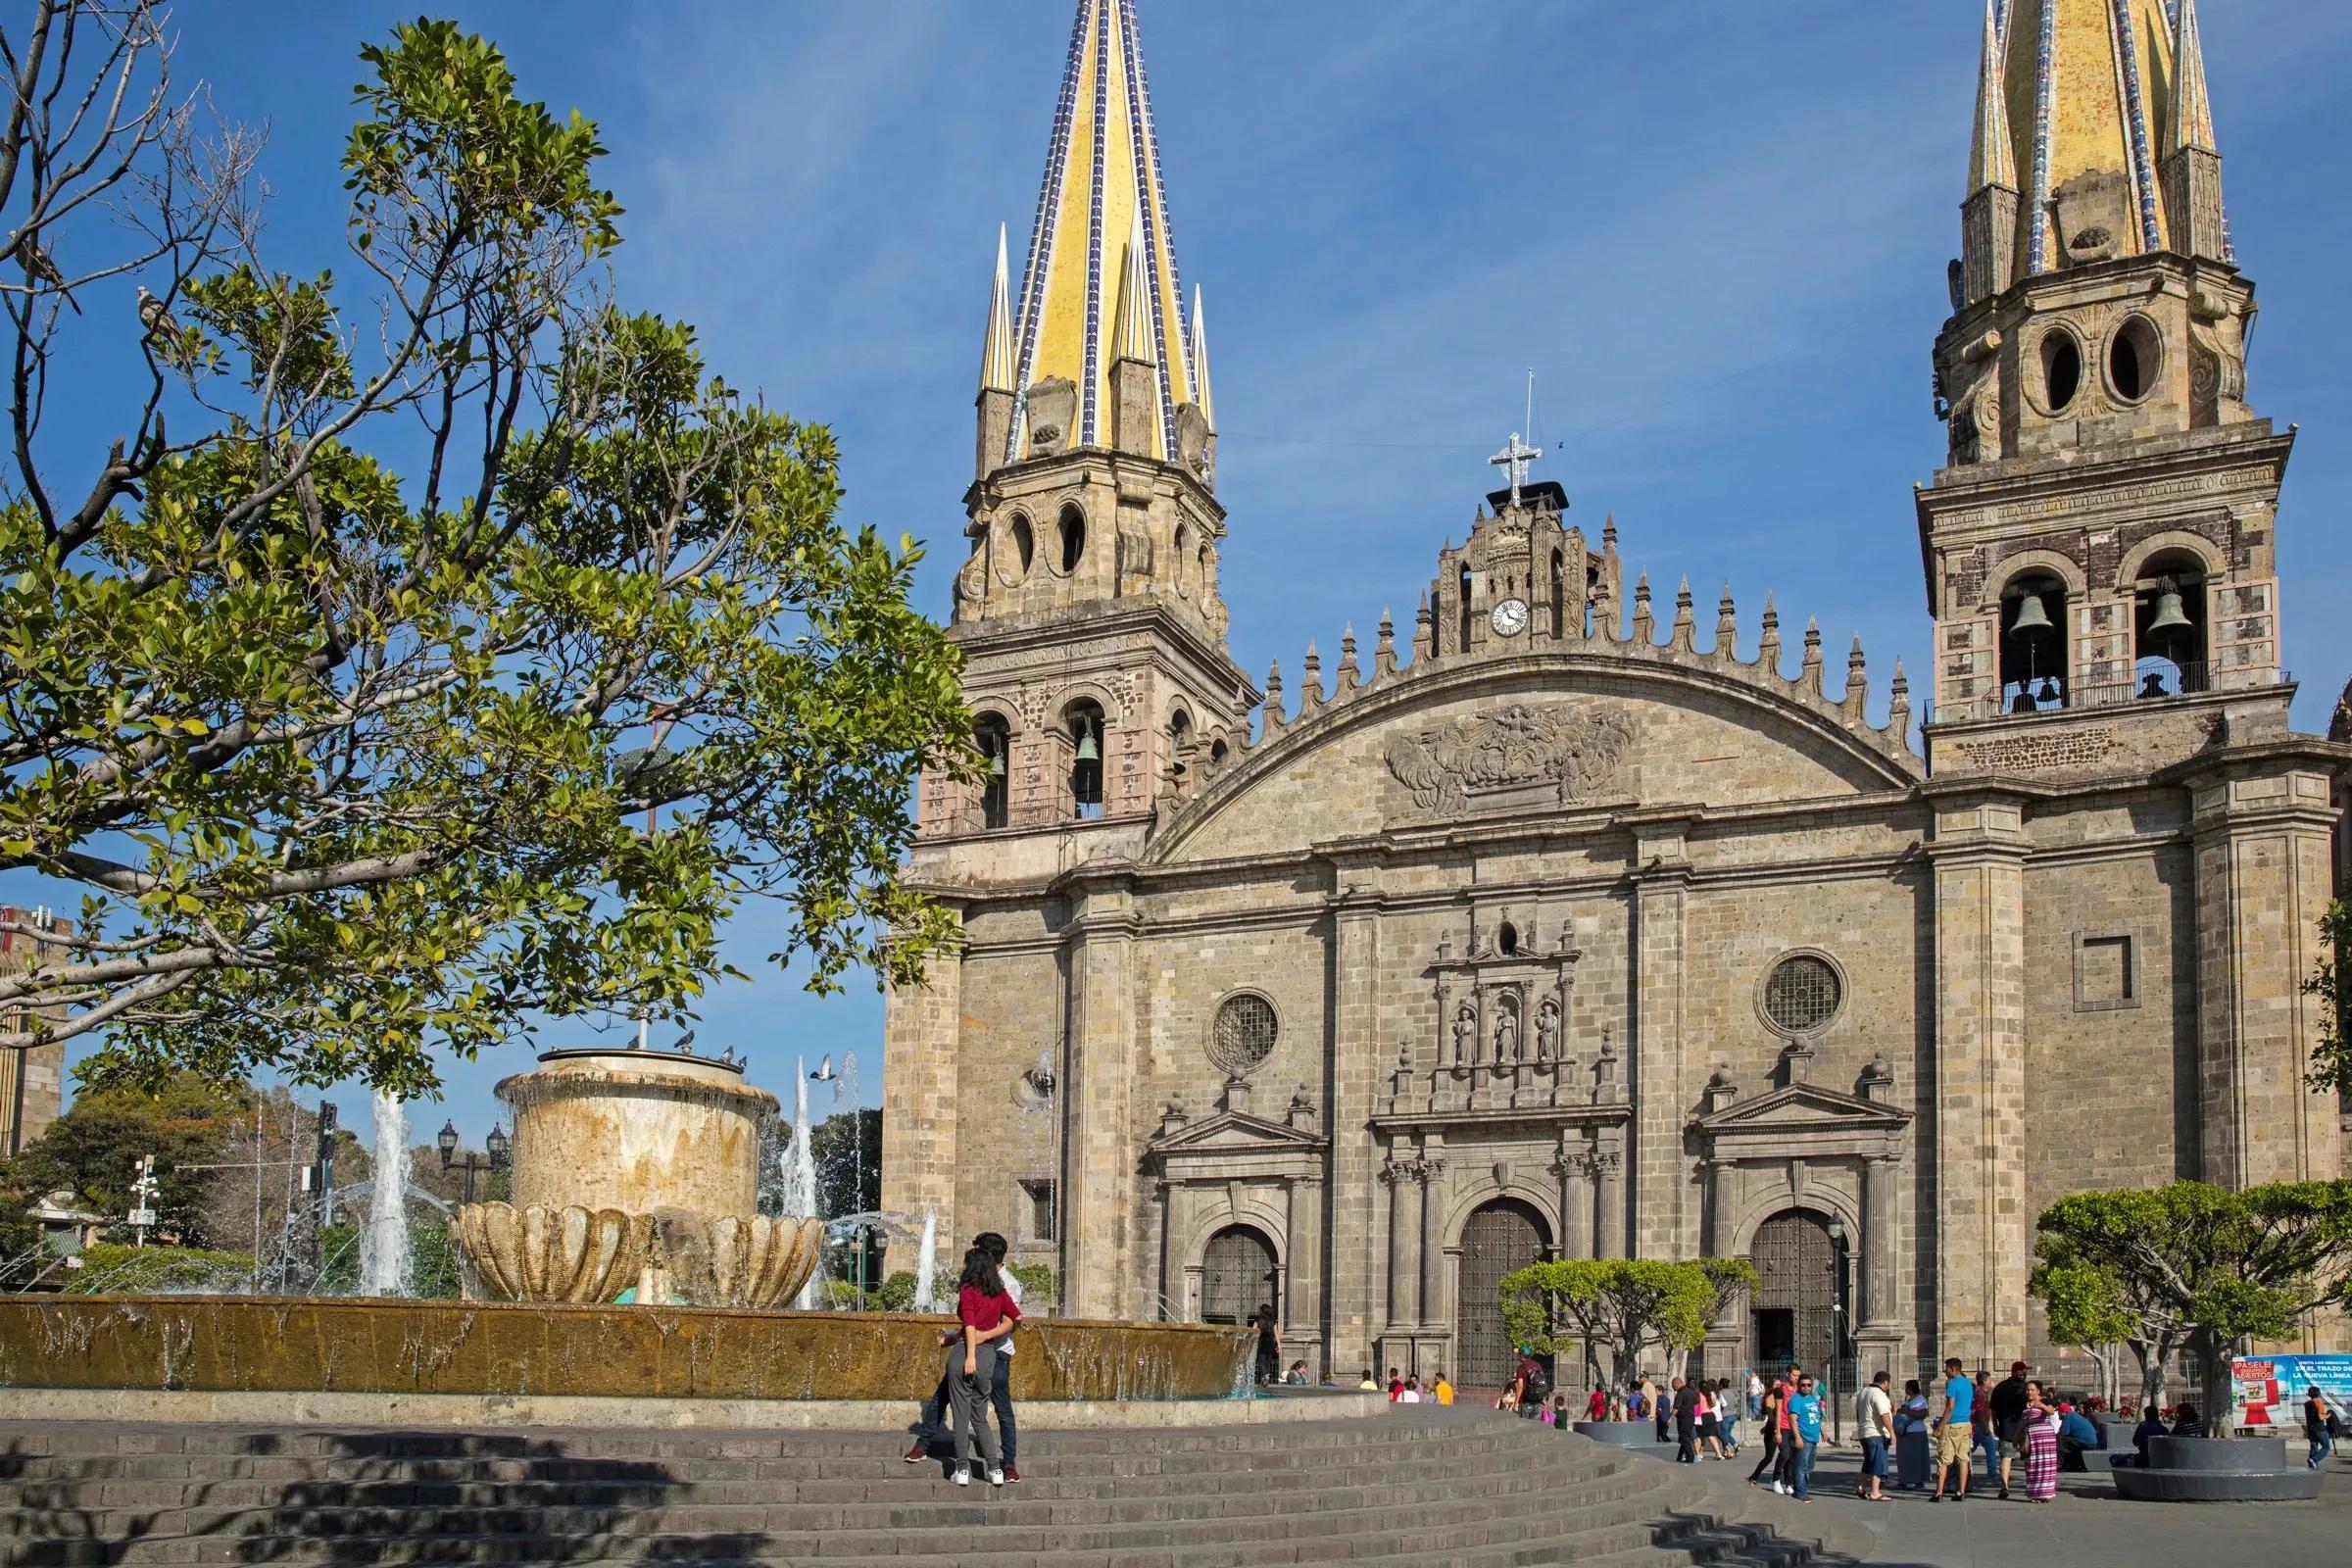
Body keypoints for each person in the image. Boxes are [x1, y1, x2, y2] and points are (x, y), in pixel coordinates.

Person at [905, 1231, 1024, 1482]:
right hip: (979, 1349)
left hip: (995, 1352)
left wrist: (979, 1338)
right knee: (945, 1399)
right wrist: (955, 1336)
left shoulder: (1004, 1284)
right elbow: (973, 1324)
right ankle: (925, 1445)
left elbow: (1009, 1322)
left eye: (977, 1250)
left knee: (998, 1410)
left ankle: (1005, 1464)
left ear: (986, 1255)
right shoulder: (985, 1283)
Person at [946, 1244, 1018, 1488]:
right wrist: (991, 1333)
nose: (963, 1266)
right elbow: (1016, 1317)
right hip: (989, 1356)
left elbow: (969, 1323)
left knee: (960, 1416)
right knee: (980, 1418)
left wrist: (970, 1356)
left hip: (967, 1354)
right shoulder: (998, 1291)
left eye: (966, 1262)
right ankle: (995, 1469)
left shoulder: (968, 1288)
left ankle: (962, 1469)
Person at [1931, 1357, 1975, 1502]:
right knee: (1963, 1459)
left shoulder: (1952, 1383)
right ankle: (1961, 1492)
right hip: (1966, 1423)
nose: (1945, 1372)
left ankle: (1939, 1493)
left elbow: (1950, 1407)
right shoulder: (1968, 1383)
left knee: (1944, 1459)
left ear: (1953, 1369)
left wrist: (1940, 1427)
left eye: (1947, 1369)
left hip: (1952, 1425)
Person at [1988, 1360, 2030, 1499]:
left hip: (2006, 1428)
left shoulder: (2000, 1387)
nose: (2025, 1373)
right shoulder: (2027, 1388)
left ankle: (2004, 1486)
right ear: (2018, 1372)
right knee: (2027, 1457)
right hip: (2024, 1428)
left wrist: (1995, 1425)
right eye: (2023, 1371)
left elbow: (1993, 1409)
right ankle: (2030, 1484)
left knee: (2006, 1457)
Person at [1785, 1373, 1824, 1501]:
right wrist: (1797, 1437)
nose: (1806, 1387)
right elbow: (1792, 1419)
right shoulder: (1796, 1400)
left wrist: (1822, 1430)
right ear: (1798, 1385)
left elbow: (1815, 1415)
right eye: (1803, 1385)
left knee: (1809, 1467)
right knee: (1801, 1467)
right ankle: (1800, 1492)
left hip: (1813, 1438)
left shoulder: (1811, 1398)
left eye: (1808, 1385)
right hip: (1803, 1438)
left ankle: (1802, 1489)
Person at [1857, 1370, 1893, 1500]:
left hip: (1864, 1432)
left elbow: (1858, 1413)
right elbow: (1884, 1414)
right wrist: (1892, 1432)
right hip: (1876, 1433)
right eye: (1889, 1384)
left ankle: (1862, 1487)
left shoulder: (1863, 1392)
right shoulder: (1879, 1394)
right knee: (1878, 1462)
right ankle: (1875, 1492)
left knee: (1868, 1461)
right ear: (1885, 1382)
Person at [2020, 1380, 2059, 1502]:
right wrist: (2016, 1439)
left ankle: (2045, 1494)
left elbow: (2051, 1411)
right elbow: (2022, 1424)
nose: (2029, 1392)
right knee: (2033, 1466)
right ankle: (2035, 1494)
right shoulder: (2025, 1404)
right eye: (2027, 1390)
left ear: (2038, 1391)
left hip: (2045, 1439)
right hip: (2032, 1439)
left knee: (2045, 1467)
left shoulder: (2045, 1401)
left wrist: (2041, 1405)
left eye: (2032, 1390)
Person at [1894, 1379, 1933, 1490]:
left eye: (1906, 1388)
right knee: (1904, 1458)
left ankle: (1918, 1481)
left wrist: (1906, 1411)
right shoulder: (1909, 1399)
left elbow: (1923, 1414)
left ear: (1910, 1389)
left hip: (1916, 1432)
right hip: (1905, 1431)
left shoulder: (1921, 1400)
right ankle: (1904, 1479)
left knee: (1916, 1458)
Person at [1747, 1374, 1784, 1490]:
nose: (1779, 1387)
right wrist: (1776, 1428)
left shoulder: (1782, 1396)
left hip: (1779, 1429)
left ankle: (1777, 1479)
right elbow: (1771, 1416)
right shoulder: (1770, 1398)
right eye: (1776, 1385)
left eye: (1780, 1385)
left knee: (1785, 1454)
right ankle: (1754, 1477)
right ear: (1772, 1386)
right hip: (1772, 1430)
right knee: (1769, 1457)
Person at [1970, 1367, 2000, 1493]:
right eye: (1988, 1379)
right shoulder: (1980, 1394)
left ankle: (1958, 1466)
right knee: (1990, 1446)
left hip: (1979, 1425)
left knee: (1971, 1448)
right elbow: (1980, 1410)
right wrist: (1986, 1426)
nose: (1990, 1381)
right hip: (1980, 1425)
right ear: (1983, 1381)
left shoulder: (1981, 1392)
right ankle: (1992, 1472)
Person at [2056, 1402, 2098, 1472]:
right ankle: (2069, 1465)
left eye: (2059, 1412)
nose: (2058, 1414)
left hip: (2086, 1443)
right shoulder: (2074, 1415)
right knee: (2066, 1442)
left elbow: (2063, 1433)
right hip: (2091, 1443)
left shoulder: (2068, 1417)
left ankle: (2058, 1464)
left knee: (2060, 1441)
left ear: (2063, 1412)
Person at [2306, 1386, 2334, 1470]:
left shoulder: (2307, 1404)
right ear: (2318, 1393)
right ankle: (2314, 1460)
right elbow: (2321, 1417)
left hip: (2310, 1428)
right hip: (2320, 1428)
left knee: (2314, 1447)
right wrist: (2329, 1415)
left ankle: (2312, 1467)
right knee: (2326, 1447)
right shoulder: (2319, 1403)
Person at [2130, 1402, 2166, 1466]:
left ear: (2146, 1416)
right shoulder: (2164, 1429)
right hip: (2161, 1459)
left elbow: (2135, 1442)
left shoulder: (2142, 1427)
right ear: (2157, 1416)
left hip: (2144, 1458)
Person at [1253, 1302, 1281, 1386]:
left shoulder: (1258, 1319)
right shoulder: (1273, 1320)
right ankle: (1265, 1380)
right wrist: (1279, 1344)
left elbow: (1253, 1330)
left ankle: (1265, 1376)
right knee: (1267, 1362)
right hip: (1271, 1342)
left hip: (1262, 1342)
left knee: (1261, 1361)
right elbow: (1276, 1333)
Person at [1672, 1375, 1697, 1462]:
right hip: (1691, 1417)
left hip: (1683, 1418)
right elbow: (1696, 1401)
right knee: (1684, 1437)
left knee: (1684, 1438)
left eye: (1673, 1386)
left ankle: (1690, 1457)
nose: (1673, 1388)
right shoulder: (1690, 1391)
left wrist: (1670, 1417)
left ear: (1676, 1384)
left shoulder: (1680, 1393)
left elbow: (1676, 1407)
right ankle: (1679, 1456)